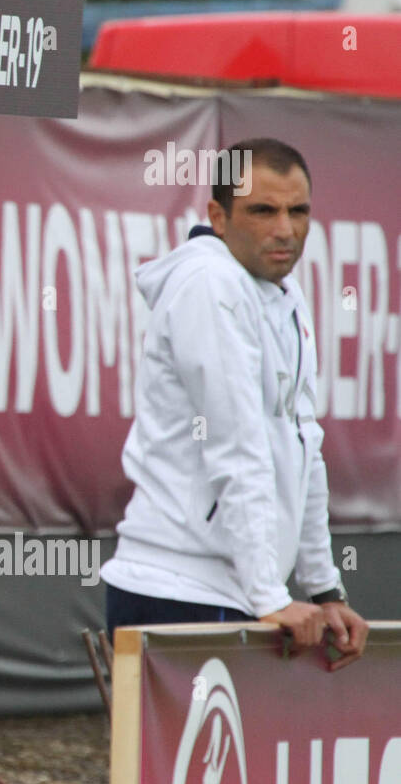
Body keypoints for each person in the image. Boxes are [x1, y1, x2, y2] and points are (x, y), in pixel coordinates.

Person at [101, 138, 368, 671]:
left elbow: (303, 447)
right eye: (263, 211)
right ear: (218, 217)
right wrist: (271, 596)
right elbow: (235, 445)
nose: (285, 230)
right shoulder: (209, 284)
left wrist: (323, 589)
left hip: (236, 589)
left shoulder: (279, 292)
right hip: (177, 593)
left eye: (298, 211)